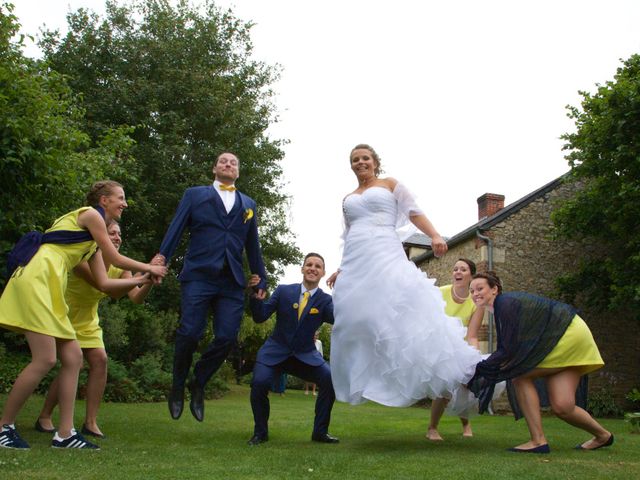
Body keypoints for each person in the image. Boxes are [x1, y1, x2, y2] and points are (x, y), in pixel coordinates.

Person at [0, 181, 167, 450]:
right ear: (104, 200)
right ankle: (3, 427)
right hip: (39, 276)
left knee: (74, 356)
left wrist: (145, 276)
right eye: (120, 198)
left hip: (50, 282)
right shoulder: (90, 215)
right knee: (45, 358)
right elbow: (116, 256)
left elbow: (103, 284)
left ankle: (65, 434)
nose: (124, 203)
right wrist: (148, 267)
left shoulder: (90, 245)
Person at [326, 144, 483, 409]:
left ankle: (444, 364)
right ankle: (370, 377)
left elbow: (413, 211)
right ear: (351, 165)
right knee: (355, 317)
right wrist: (342, 268)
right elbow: (348, 234)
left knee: (402, 304)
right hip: (356, 258)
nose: (360, 162)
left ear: (375, 161)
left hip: (385, 251)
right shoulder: (347, 199)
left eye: (365, 158)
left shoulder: (389, 184)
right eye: (355, 160)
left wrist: (434, 235)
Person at [155, 152, 267, 422]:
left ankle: (199, 382)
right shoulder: (194, 195)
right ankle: (178, 384)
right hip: (199, 275)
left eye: (234, 163)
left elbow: (253, 245)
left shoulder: (248, 204)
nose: (228, 164)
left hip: (231, 281)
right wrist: (161, 259)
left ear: (238, 172)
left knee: (227, 337)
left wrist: (261, 277)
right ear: (214, 168)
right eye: (223, 161)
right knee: (189, 332)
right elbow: (176, 227)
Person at [35, 221, 159, 439]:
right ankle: (45, 416)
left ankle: (90, 422)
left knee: (100, 360)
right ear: (100, 235)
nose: (117, 238)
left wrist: (148, 279)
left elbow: (136, 297)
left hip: (88, 320)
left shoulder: (122, 268)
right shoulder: (84, 257)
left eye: (119, 234)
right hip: (64, 313)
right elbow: (106, 288)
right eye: (112, 233)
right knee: (74, 363)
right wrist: (145, 271)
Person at [467, 271, 613, 453]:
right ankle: (603, 436)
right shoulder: (502, 307)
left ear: (494, 289)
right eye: (471, 291)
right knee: (563, 406)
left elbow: (508, 349)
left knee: (519, 378)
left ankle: (538, 441)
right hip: (573, 336)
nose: (475, 294)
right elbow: (516, 346)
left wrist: (479, 369)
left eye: (480, 288)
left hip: (567, 336)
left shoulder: (504, 303)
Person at [247, 253, 338, 445]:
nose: (313, 268)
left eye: (318, 266)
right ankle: (260, 433)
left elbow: (340, 319)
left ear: (323, 273)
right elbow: (260, 317)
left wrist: (345, 286)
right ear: (302, 268)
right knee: (259, 383)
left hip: (305, 356)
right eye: (309, 264)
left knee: (329, 379)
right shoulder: (283, 291)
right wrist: (256, 298)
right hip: (274, 352)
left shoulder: (325, 300)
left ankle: (320, 432)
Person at [427, 258, 484, 440]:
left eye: (463, 269)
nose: (457, 272)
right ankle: (432, 429)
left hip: (461, 348)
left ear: (471, 276)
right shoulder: (440, 292)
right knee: (444, 388)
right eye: (455, 269)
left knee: (463, 388)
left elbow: (473, 335)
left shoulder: (476, 303)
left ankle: (466, 424)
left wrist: (473, 358)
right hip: (439, 347)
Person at [304, 332, 323, 396]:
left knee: (315, 376)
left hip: (316, 360)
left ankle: (314, 391)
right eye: (314, 335)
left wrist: (321, 360)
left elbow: (320, 352)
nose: (315, 337)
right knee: (307, 375)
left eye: (317, 336)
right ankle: (306, 390)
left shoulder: (319, 342)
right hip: (308, 360)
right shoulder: (308, 341)